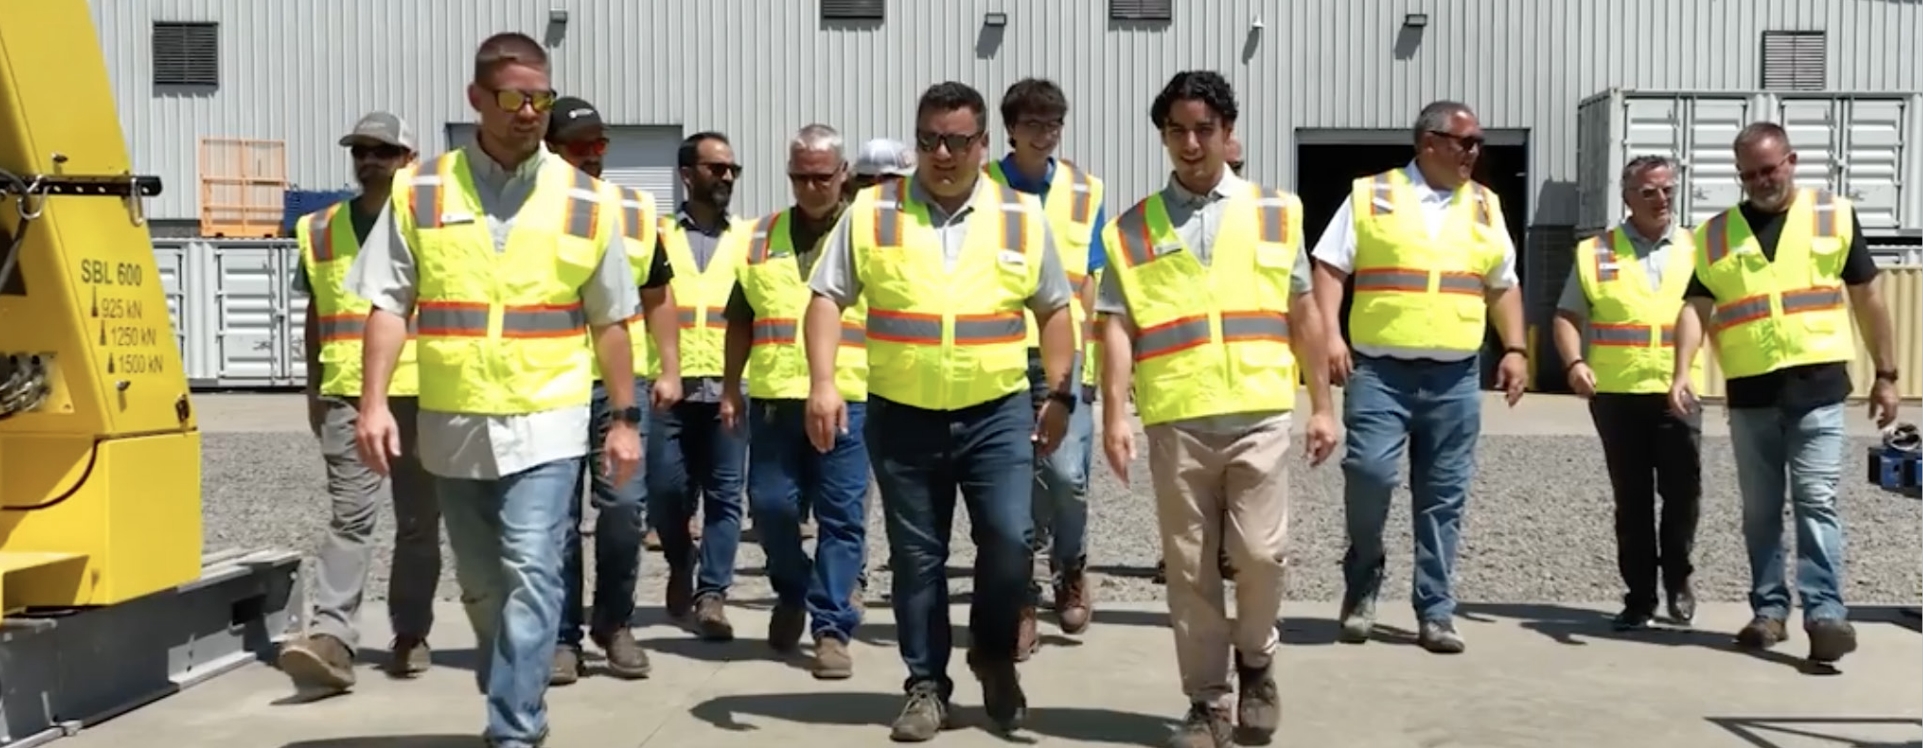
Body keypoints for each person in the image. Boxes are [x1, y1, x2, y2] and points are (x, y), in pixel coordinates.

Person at [347, 32, 656, 748]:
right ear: (476, 99)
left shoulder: (585, 198)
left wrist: (625, 418)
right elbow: (389, 305)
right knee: (483, 583)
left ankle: (515, 727)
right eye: (514, 98)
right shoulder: (420, 190)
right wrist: (371, 404)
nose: (528, 113)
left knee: (532, 565)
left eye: (539, 99)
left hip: (548, 416)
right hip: (453, 420)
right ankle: (508, 677)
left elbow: (612, 320)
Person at [803, 81, 1076, 740]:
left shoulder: (1018, 216)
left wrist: (1063, 391)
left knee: (1009, 542)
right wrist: (822, 382)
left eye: (957, 141)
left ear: (983, 145)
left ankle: (990, 653)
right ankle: (925, 685)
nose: (943, 154)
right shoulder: (871, 212)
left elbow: (1056, 309)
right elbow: (825, 297)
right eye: (929, 140)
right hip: (902, 416)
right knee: (916, 559)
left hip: (997, 414)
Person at [1096, 70, 1339, 748]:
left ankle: (1255, 658)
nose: (1191, 142)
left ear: (1228, 132)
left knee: (1261, 555)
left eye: (1204, 128)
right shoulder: (1131, 228)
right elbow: (1115, 327)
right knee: (1189, 568)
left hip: (1258, 411)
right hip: (1176, 417)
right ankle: (1207, 703)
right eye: (1177, 130)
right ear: (1164, 137)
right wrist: (1114, 416)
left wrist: (1321, 405)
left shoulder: (1273, 211)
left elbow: (1303, 312)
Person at [1670, 121, 1901, 666]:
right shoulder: (1716, 233)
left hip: (1818, 389)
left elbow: (1869, 298)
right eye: (1748, 174)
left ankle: (1824, 614)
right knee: (1761, 511)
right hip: (1750, 394)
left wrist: (1886, 373)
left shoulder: (1833, 216)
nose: (1760, 182)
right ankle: (1769, 612)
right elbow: (1695, 309)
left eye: (1769, 170)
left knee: (1817, 501)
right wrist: (1682, 370)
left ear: (1791, 161)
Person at [1309, 100, 1529, 655]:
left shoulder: (1484, 205)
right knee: (1370, 475)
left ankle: (1435, 609)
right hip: (1380, 373)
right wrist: (1331, 335)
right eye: (1465, 141)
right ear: (1428, 143)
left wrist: (1516, 348)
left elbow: (1502, 283)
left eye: (1479, 142)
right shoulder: (1373, 195)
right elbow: (1330, 266)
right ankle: (1363, 578)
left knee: (1443, 497)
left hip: (1455, 377)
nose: (1475, 151)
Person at [278, 112, 442, 696]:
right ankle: (332, 639)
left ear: (407, 158)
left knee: (420, 523)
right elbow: (316, 317)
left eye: (383, 150)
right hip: (349, 394)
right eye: (360, 151)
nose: (369, 160)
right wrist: (313, 387)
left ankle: (410, 632)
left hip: (426, 393)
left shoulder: (432, 224)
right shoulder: (319, 228)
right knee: (351, 518)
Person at [720, 123, 869, 679]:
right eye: (800, 177)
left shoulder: (866, 234)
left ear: (843, 174)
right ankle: (793, 590)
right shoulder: (760, 237)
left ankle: (830, 629)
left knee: (842, 518)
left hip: (849, 398)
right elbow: (740, 319)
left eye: (822, 177)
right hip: (777, 401)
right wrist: (732, 386)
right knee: (773, 509)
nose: (811, 187)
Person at [541, 95, 681, 684]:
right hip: (548, 385)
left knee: (624, 510)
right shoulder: (526, 207)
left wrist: (668, 366)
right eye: (580, 147)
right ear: (550, 149)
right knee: (554, 521)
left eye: (601, 145)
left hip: (616, 389)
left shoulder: (633, 209)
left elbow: (657, 295)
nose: (594, 156)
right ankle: (561, 636)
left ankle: (614, 623)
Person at [1551, 155, 1704, 631]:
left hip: (1678, 391)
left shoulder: (1696, 248)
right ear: (1627, 197)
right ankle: (1639, 596)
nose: (1661, 199)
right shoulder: (1596, 252)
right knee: (1632, 501)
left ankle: (1677, 578)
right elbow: (1566, 317)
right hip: (1616, 395)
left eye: (1668, 191)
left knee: (1683, 494)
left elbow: (1711, 312)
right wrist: (1574, 363)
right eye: (1649, 192)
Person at [982, 78, 1106, 651]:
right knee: (1015, 485)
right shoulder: (980, 188)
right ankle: (1022, 594)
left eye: (1053, 124)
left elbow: (1092, 281)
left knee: (1067, 477)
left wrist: (1090, 359)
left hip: (1065, 356)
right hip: (1000, 352)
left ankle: (1071, 565)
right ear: (1010, 129)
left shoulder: (1085, 192)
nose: (1045, 134)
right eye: (1033, 124)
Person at [649, 131, 751, 640]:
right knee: (666, 493)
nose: (726, 177)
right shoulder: (658, 234)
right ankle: (679, 561)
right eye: (716, 168)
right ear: (687, 174)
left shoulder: (750, 238)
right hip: (670, 387)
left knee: (726, 497)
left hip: (731, 387)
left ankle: (712, 594)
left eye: (732, 169)